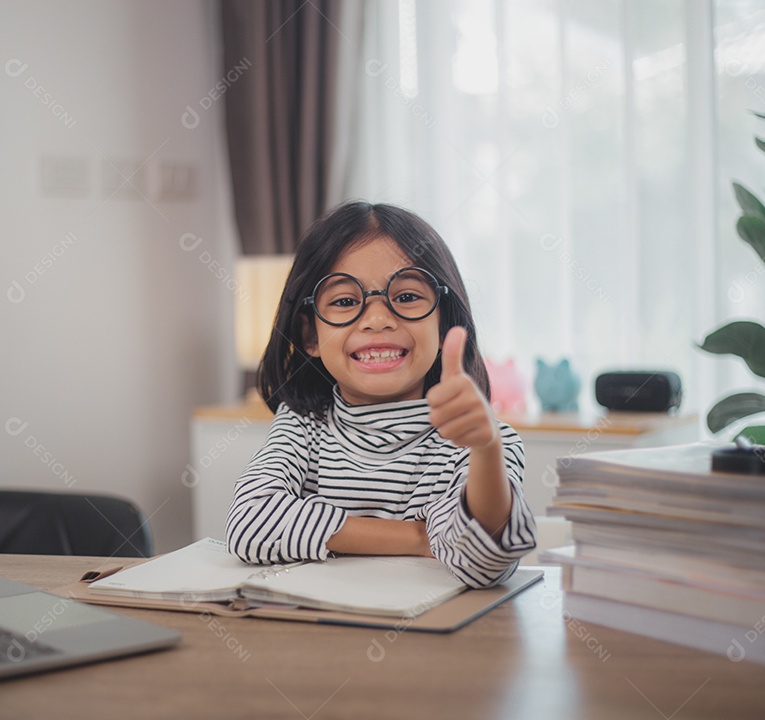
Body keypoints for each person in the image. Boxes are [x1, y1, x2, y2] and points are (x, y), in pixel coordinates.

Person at [225, 201, 536, 587]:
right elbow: (250, 523)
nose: (377, 319)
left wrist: (486, 451)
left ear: (443, 323)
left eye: (406, 297)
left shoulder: (486, 443)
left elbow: (483, 566)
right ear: (310, 335)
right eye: (344, 301)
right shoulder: (302, 426)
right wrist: (419, 537)